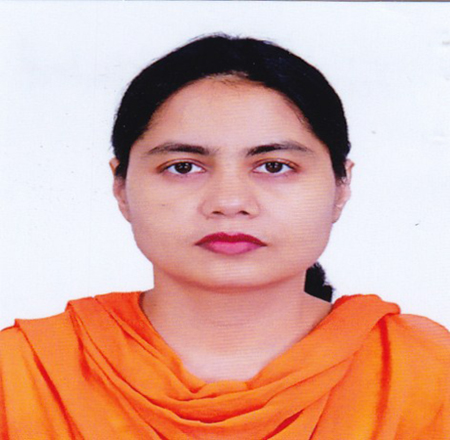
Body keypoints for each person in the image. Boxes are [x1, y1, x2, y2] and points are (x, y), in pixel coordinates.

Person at [0, 34, 448, 439]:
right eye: (183, 167)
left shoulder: (428, 374)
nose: (230, 202)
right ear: (121, 187)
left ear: (341, 186)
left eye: (274, 166)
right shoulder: (20, 375)